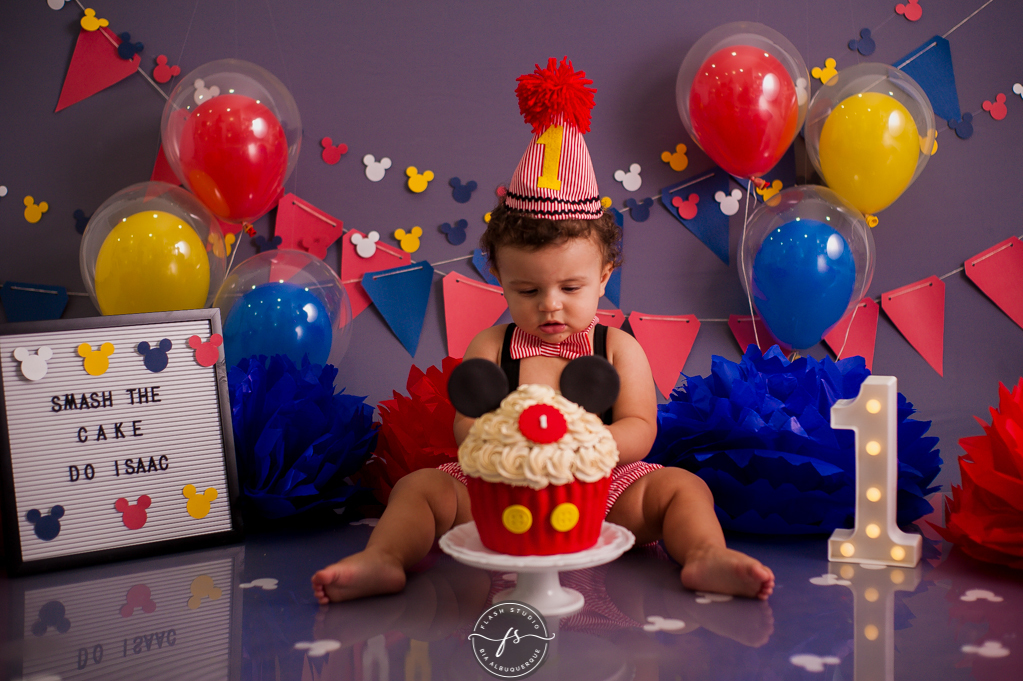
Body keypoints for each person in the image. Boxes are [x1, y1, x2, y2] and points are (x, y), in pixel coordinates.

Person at [312, 57, 774, 605]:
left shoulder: (617, 348)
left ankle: (705, 556)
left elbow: (640, 427)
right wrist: (499, 443)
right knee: (421, 487)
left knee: (681, 487)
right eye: (527, 292)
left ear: (605, 278)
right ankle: (382, 559)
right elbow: (466, 424)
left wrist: (590, 445)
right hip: (498, 492)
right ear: (500, 281)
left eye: (570, 289)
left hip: (601, 492)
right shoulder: (493, 346)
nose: (550, 307)